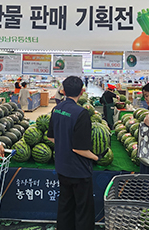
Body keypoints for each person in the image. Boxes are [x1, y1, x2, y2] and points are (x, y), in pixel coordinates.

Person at [47, 76, 107, 230]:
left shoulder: (56, 109)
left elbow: (51, 137)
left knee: (65, 205)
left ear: (63, 91)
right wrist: (97, 157)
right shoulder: (82, 113)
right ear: (82, 91)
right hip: (79, 170)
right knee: (83, 210)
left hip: (62, 167)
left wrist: (63, 143)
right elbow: (79, 149)